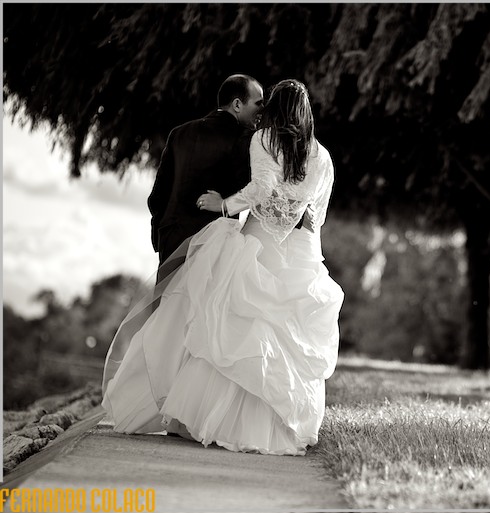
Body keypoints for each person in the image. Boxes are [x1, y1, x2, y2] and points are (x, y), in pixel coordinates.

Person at [101, 79, 344, 456]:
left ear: (277, 109)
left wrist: (225, 205)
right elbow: (317, 214)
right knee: (286, 333)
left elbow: (262, 188)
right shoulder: (323, 156)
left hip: (261, 240)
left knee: (235, 325)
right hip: (302, 250)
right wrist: (299, 230)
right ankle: (275, 426)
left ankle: (208, 418)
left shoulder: (264, 140)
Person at [147, 74, 263, 268]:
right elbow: (253, 190)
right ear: (237, 104)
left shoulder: (179, 133)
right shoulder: (247, 141)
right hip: (213, 245)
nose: (262, 110)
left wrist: (163, 233)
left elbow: (157, 197)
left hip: (171, 243)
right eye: (258, 103)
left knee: (171, 299)